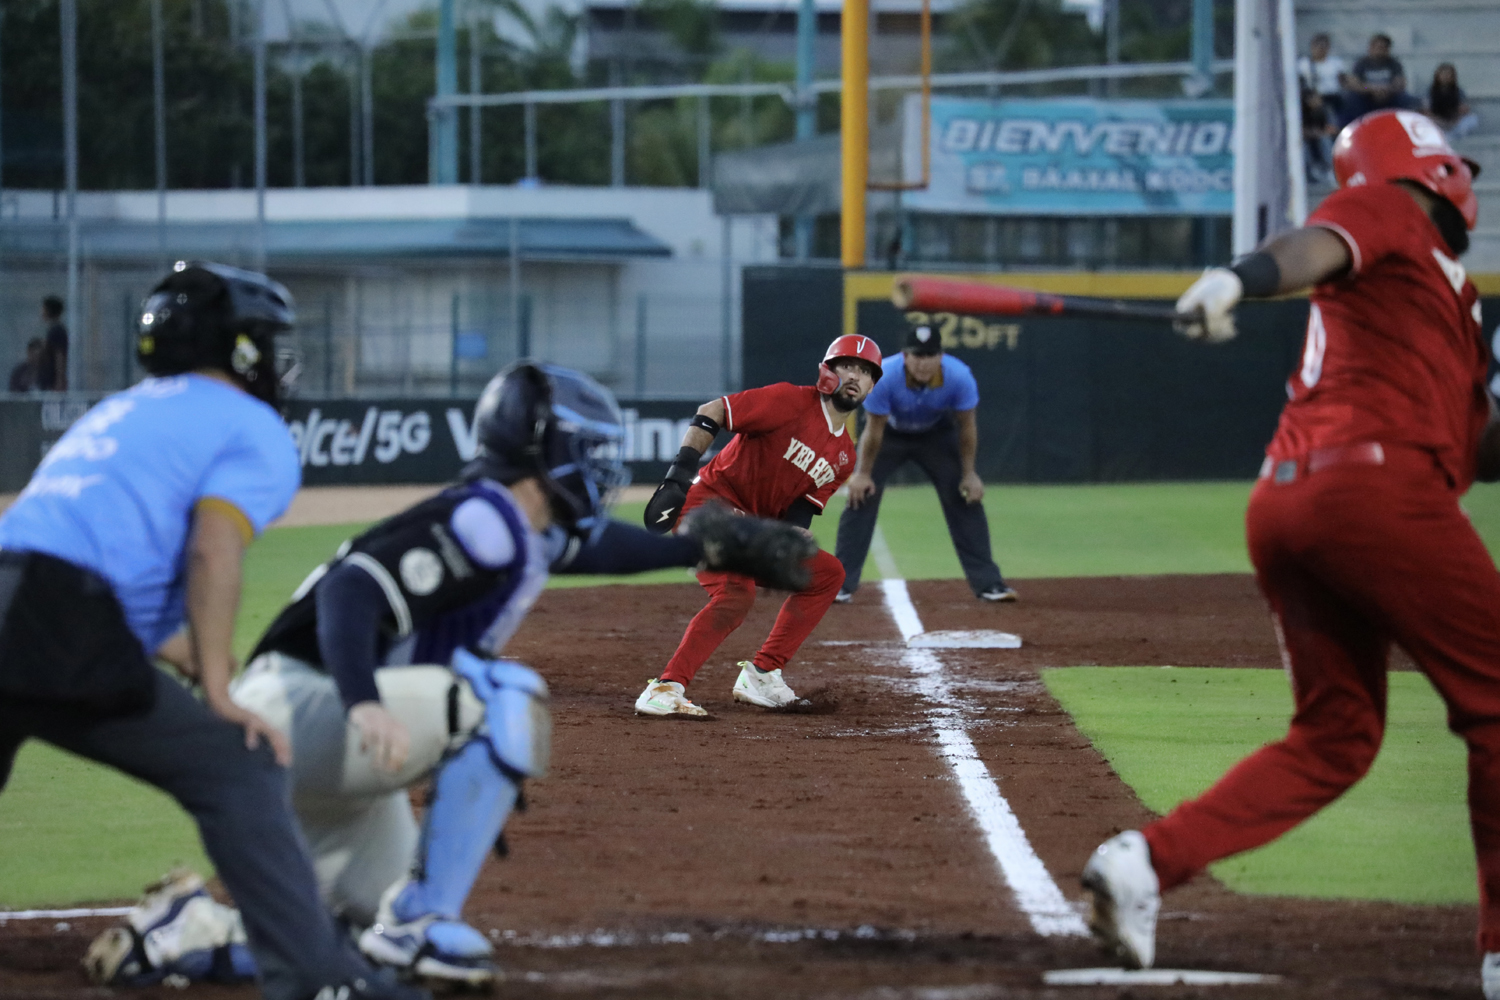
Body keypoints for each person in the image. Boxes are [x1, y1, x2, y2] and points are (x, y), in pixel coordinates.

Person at [83, 362, 814, 988]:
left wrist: (712, 547)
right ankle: (422, 921)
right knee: (506, 697)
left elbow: (604, 549)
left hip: (310, 729)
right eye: (582, 449)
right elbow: (351, 591)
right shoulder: (481, 519)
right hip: (298, 702)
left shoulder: (514, 527)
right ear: (540, 451)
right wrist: (364, 702)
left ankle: (190, 932)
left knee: (348, 935)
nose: (596, 466)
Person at [1078, 110, 1499, 998]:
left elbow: (1482, 442)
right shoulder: (1392, 209)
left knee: (1338, 734)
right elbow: (1315, 246)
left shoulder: (1444, 296)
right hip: (1378, 494)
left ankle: (1144, 864)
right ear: (1435, 173)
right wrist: (1237, 278)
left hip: (1289, 503)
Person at [0, 262, 426, 1000]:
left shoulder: (123, 409)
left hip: (30, 607)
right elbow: (211, 549)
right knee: (240, 765)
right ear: (236, 347)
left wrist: (187, 656)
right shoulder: (251, 426)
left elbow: (63, 560)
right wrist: (223, 690)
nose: (269, 354)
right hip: (59, 624)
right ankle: (321, 979)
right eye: (261, 338)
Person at [635, 335, 883, 717]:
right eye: (848, 365)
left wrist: (793, 536)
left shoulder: (845, 456)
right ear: (827, 370)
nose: (856, 376)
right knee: (736, 595)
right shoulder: (790, 401)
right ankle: (666, 687)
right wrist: (677, 477)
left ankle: (763, 673)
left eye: (866, 372)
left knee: (828, 573)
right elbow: (713, 410)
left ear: (871, 386)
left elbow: (803, 507)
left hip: (752, 529)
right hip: (708, 508)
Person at [833, 322, 1015, 604]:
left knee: (964, 497)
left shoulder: (958, 377)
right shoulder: (884, 376)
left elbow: (967, 427)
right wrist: (863, 474)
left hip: (936, 436)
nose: (923, 363)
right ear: (905, 356)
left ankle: (989, 584)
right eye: (917, 355)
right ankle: (839, 584)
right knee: (861, 496)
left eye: (929, 355)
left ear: (940, 356)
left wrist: (969, 474)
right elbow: (874, 430)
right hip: (890, 436)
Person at [1342, 33, 1418, 123]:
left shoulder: (1394, 64)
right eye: (1377, 47)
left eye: (1383, 47)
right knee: (1350, 99)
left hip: (1389, 95)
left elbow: (1399, 83)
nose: (1379, 50)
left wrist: (1386, 89)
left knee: (1406, 99)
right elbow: (1355, 84)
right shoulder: (1361, 63)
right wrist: (1372, 89)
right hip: (1367, 95)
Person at [1297, 33, 1347, 124]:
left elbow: (1344, 81)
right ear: (1312, 47)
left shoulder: (1335, 63)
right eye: (1318, 46)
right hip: (1310, 96)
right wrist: (1309, 97)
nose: (1320, 49)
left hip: (1332, 97)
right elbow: (1299, 83)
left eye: (1323, 47)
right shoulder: (1303, 64)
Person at [1428, 63, 1480, 141]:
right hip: (1438, 123)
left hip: (1454, 122)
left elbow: (1464, 109)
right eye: (1442, 74)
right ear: (1437, 76)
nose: (1445, 77)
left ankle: (1456, 137)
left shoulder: (1459, 92)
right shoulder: (1430, 92)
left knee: (1472, 119)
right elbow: (1427, 110)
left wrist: (1454, 121)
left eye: (1448, 74)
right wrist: (1440, 121)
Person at [1301, 86, 1338, 184]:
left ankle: (1330, 169)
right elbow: (1300, 131)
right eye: (1313, 98)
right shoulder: (1302, 112)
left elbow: (1333, 129)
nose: (1318, 100)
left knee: (1324, 140)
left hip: (1324, 139)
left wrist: (1319, 132)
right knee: (1302, 144)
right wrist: (1312, 132)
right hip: (1309, 140)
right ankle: (1310, 171)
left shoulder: (1325, 109)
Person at [34, 295, 68, 391]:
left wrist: (59, 381)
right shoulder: (52, 330)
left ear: (48, 310)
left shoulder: (57, 330)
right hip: (48, 381)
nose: (41, 312)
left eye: (43, 309)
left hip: (52, 382)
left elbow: (59, 356)